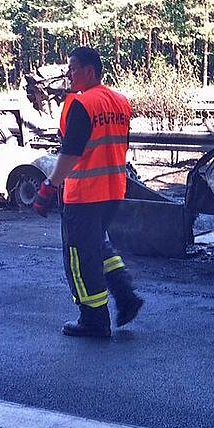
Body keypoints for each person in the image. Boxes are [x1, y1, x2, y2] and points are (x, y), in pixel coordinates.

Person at [32, 47, 144, 338]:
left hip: (84, 194)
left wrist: (50, 185)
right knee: (97, 246)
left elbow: (71, 152)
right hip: (113, 190)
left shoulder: (82, 104)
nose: (69, 75)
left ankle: (93, 319)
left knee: (79, 257)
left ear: (90, 72)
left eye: (73, 68)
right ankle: (125, 294)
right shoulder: (120, 103)